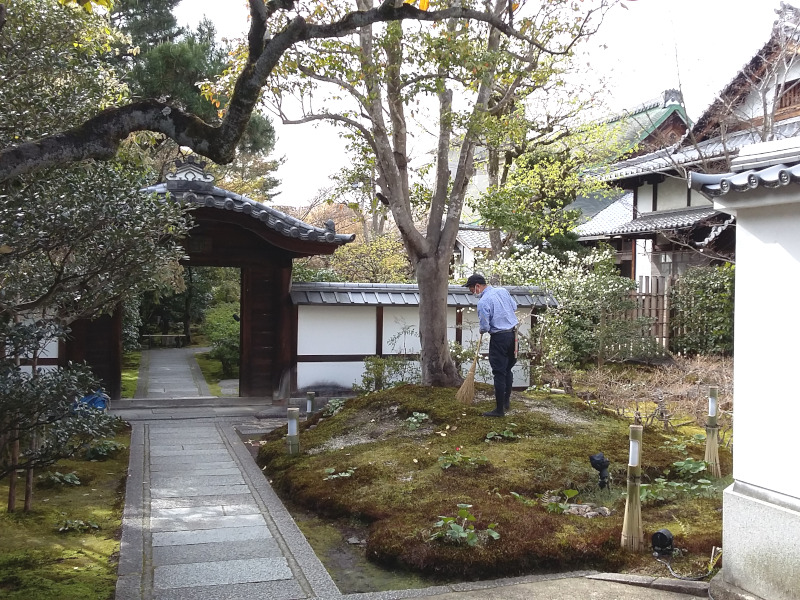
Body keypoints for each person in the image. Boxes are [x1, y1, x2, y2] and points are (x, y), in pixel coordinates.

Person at [464, 274, 518, 417]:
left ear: (477, 286)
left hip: (499, 337)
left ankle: (499, 410)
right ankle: (506, 402)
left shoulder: (483, 302)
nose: (472, 293)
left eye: (471, 289)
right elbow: (514, 306)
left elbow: (485, 327)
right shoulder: (502, 291)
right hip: (513, 335)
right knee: (508, 369)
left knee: (499, 372)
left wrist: (482, 329)